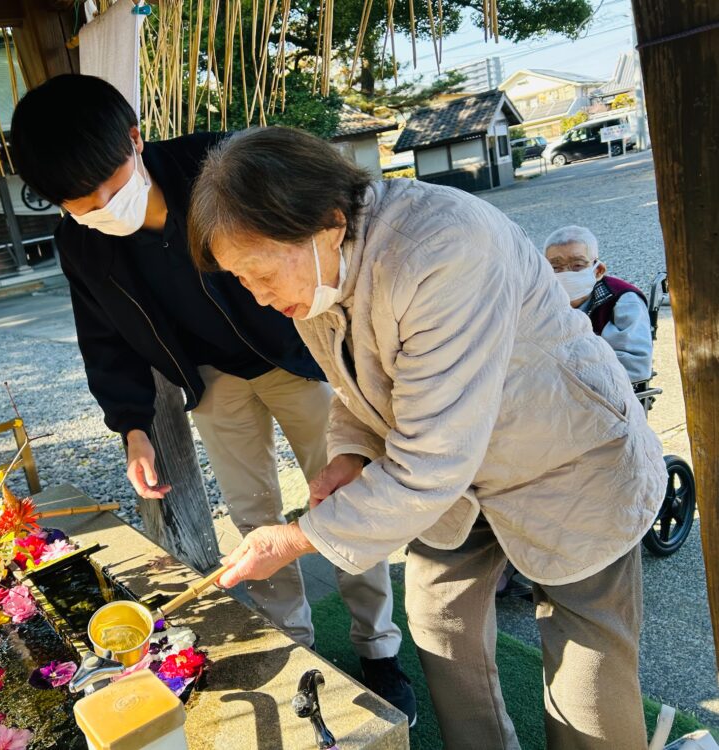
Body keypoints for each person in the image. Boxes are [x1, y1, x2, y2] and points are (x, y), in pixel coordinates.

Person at [188, 126, 667, 750]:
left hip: (566, 457)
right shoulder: (315, 278)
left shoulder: (442, 247)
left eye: (257, 271)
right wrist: (350, 454)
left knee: (585, 657)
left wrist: (299, 538)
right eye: (239, 278)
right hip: (455, 481)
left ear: (329, 222)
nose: (256, 294)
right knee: (439, 616)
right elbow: (361, 387)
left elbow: (429, 460)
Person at [10, 75, 415, 720]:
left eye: (106, 189)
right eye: (76, 202)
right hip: (212, 379)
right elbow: (103, 334)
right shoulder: (79, 239)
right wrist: (132, 427)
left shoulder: (220, 169)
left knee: (341, 497)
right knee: (254, 516)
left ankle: (378, 647)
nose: (96, 208)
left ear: (135, 142)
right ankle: (295, 640)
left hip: (300, 354)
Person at [544, 225, 653, 383]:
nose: (565, 273)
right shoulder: (540, 302)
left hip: (605, 395)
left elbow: (635, 366)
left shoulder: (621, 300)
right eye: (555, 267)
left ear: (598, 270)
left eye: (577, 265)